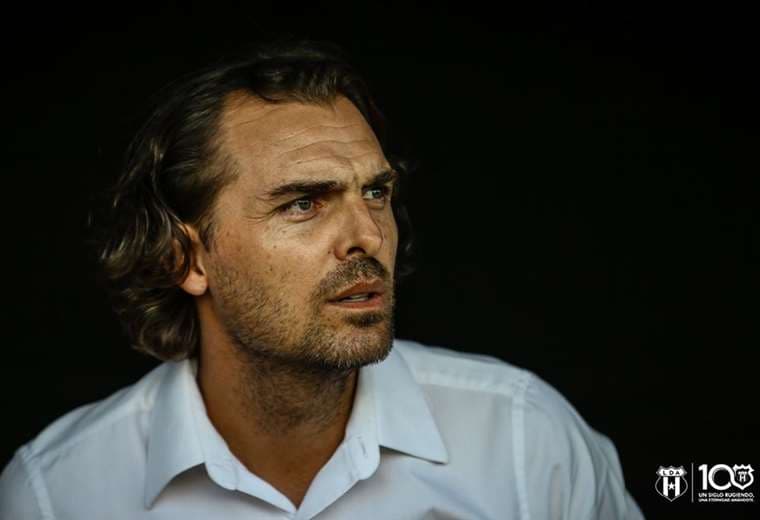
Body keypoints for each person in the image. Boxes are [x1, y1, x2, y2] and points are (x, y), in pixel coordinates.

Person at [0, 39, 645, 519]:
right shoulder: (56, 495)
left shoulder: (526, 444)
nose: (368, 236)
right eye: (304, 203)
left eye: (375, 192)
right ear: (186, 260)